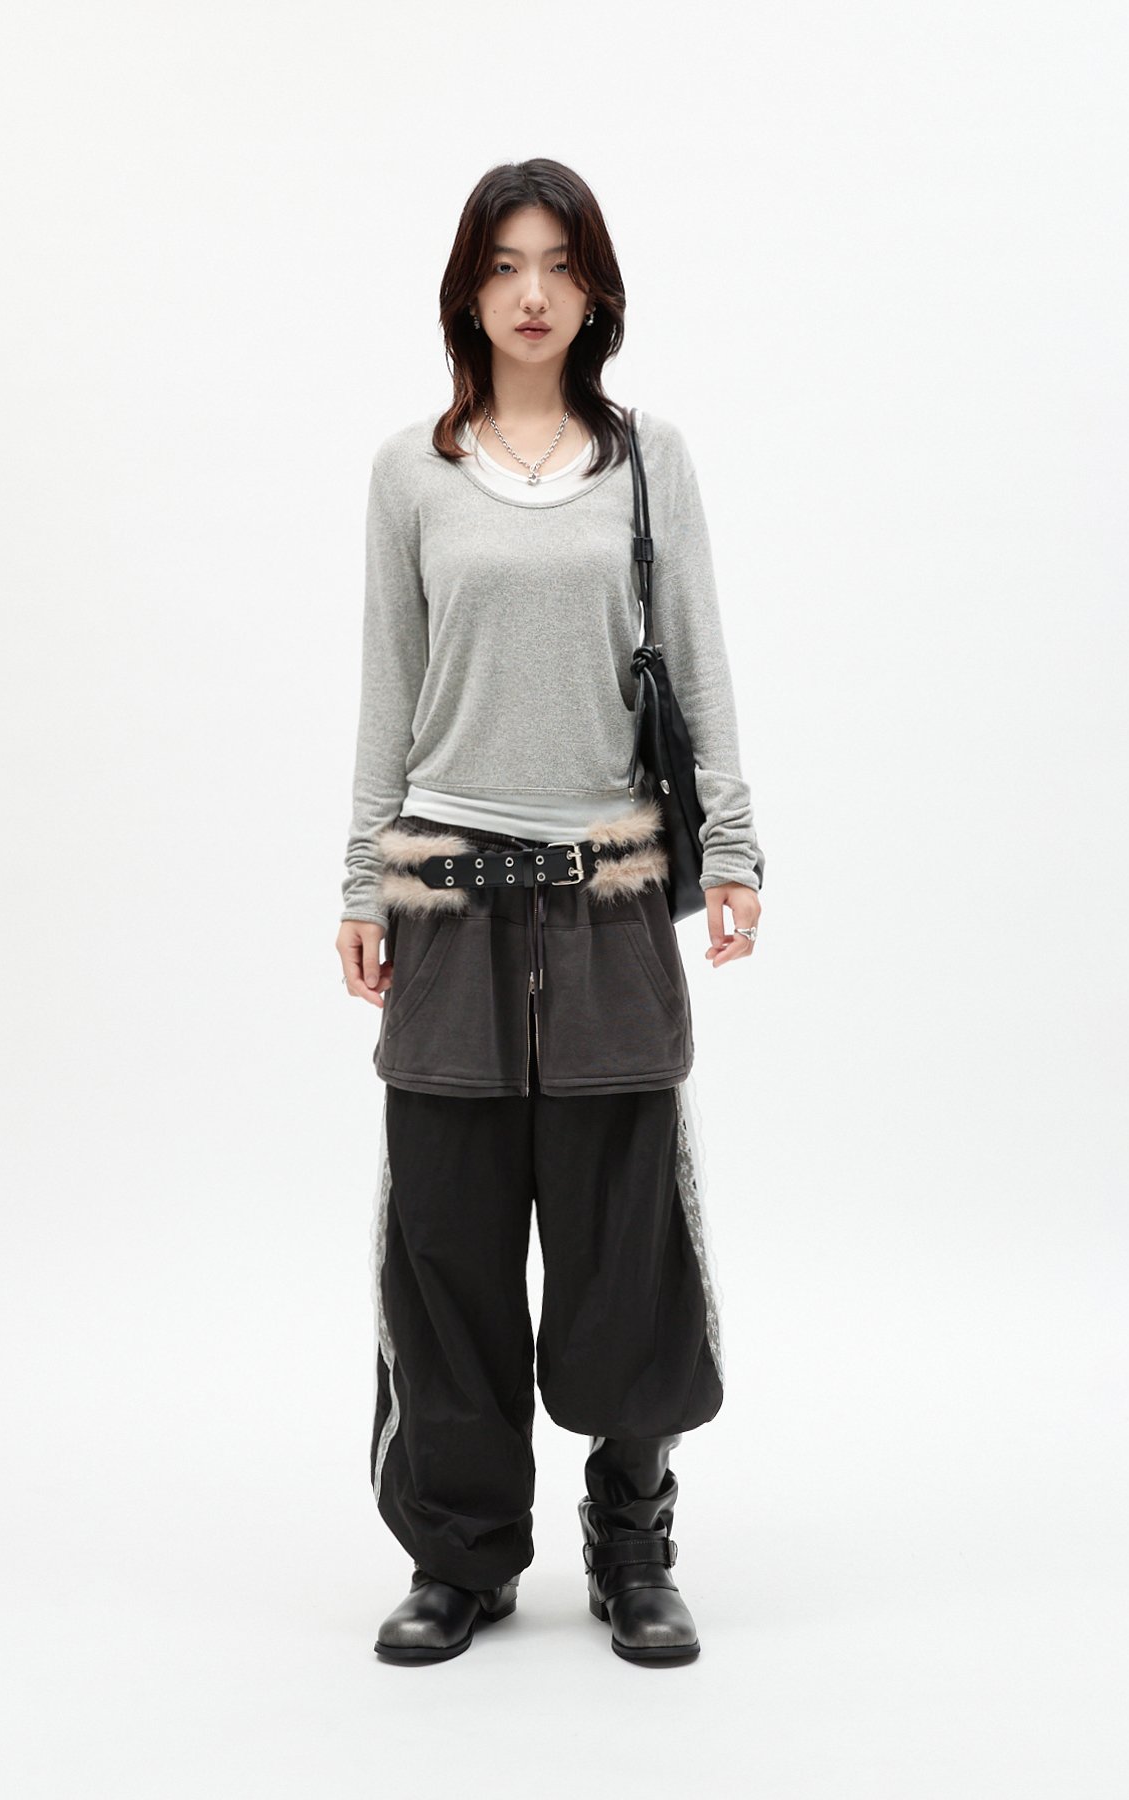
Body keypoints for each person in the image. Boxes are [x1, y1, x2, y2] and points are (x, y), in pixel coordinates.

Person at [337, 158, 765, 1666]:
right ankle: (458, 1557)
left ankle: (632, 1542)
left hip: (609, 905)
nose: (533, 293)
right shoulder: (411, 472)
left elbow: (699, 660)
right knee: (446, 1250)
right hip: (446, 905)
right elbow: (389, 688)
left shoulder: (650, 463)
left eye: (560, 264)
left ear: (596, 290)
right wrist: (360, 877)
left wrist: (734, 848)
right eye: (506, 264)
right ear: (470, 289)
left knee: (620, 1244)